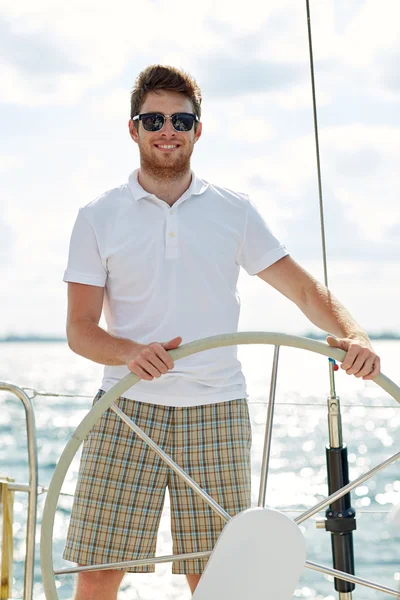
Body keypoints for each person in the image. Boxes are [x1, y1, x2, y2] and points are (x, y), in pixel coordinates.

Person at [62, 64, 380, 600]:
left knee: (215, 580)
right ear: (133, 128)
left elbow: (304, 291)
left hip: (218, 412)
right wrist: (131, 352)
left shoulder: (234, 211)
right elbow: (78, 330)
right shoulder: (98, 216)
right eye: (155, 118)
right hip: (124, 410)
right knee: (98, 574)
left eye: (181, 120)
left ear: (198, 129)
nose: (168, 129)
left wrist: (356, 336)